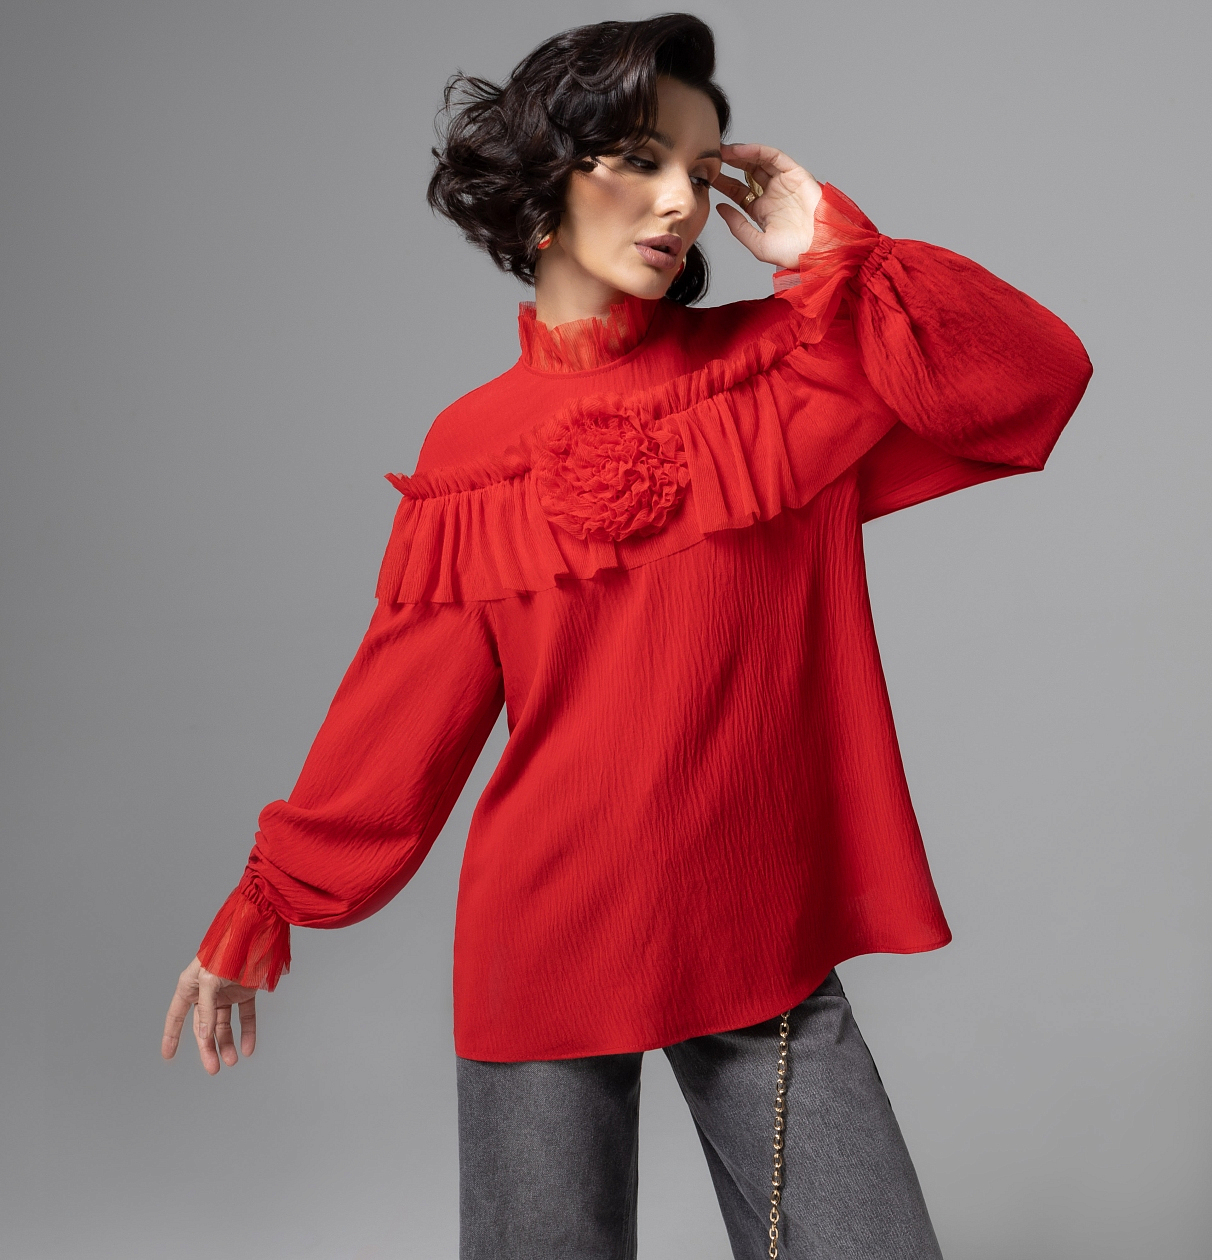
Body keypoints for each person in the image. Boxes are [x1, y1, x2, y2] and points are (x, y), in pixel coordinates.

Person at [160, 14, 1092, 1259]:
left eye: (699, 173)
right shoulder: (470, 450)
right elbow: (401, 714)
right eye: (641, 162)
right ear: (547, 181)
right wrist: (269, 899)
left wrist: (836, 251)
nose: (678, 204)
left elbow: (1032, 375)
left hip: (758, 928)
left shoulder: (783, 371)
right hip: (546, 933)